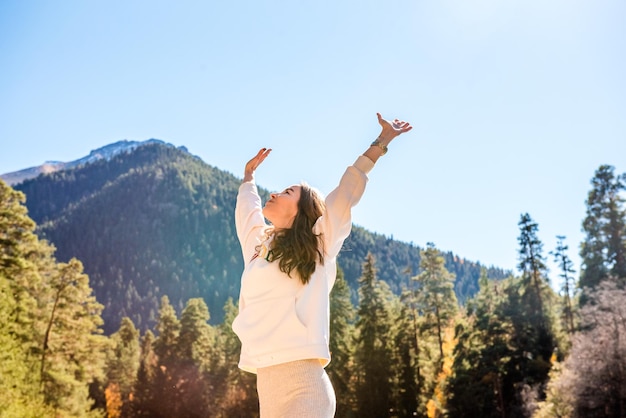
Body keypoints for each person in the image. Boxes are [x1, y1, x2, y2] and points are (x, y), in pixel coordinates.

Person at [233, 113, 412, 417]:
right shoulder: (259, 248)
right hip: (268, 386)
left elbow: (345, 193)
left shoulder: (319, 245)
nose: (275, 193)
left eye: (287, 192)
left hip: (307, 387)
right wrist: (249, 179)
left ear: (302, 211)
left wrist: (381, 142)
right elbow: (247, 215)